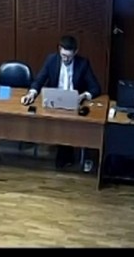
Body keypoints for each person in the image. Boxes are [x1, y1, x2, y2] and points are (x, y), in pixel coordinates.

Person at [21, 35, 103, 168]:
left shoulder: (83, 63)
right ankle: (63, 153)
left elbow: (95, 88)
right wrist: (32, 93)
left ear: (75, 52)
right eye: (63, 55)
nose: (65, 59)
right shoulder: (51, 60)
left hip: (74, 103)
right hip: (54, 102)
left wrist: (84, 95)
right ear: (59, 50)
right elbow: (39, 80)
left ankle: (66, 154)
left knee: (70, 123)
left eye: (69, 57)